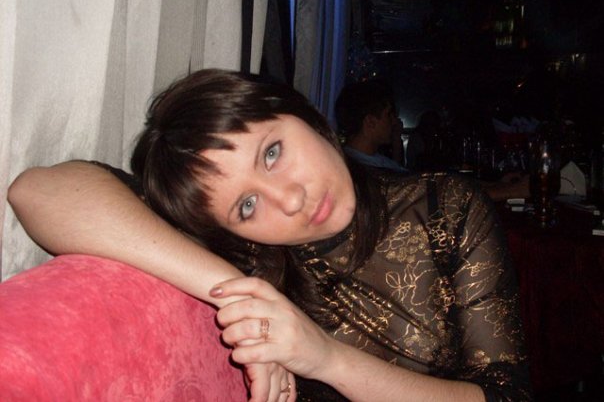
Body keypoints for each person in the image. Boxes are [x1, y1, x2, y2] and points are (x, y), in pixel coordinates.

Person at [8, 69, 532, 401]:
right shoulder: (254, 258)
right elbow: (37, 192)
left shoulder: (446, 207)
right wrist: (240, 291)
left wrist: (325, 358)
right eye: (247, 205)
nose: (291, 200)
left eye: (272, 153)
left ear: (300, 113)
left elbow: (505, 395)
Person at [335, 79, 407, 173]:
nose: (394, 121)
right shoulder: (367, 171)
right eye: (389, 115)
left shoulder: (339, 161)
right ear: (370, 122)